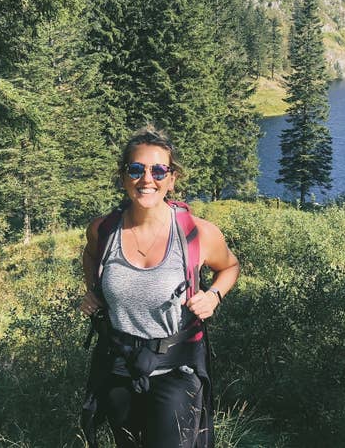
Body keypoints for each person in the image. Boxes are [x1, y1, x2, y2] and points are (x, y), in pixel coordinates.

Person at [80, 127, 240, 447]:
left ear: (172, 178)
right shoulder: (104, 230)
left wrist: (213, 295)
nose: (146, 179)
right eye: (136, 169)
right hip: (118, 366)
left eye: (158, 170)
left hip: (177, 370)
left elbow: (230, 266)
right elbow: (89, 255)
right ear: (123, 175)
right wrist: (94, 291)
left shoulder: (197, 233)